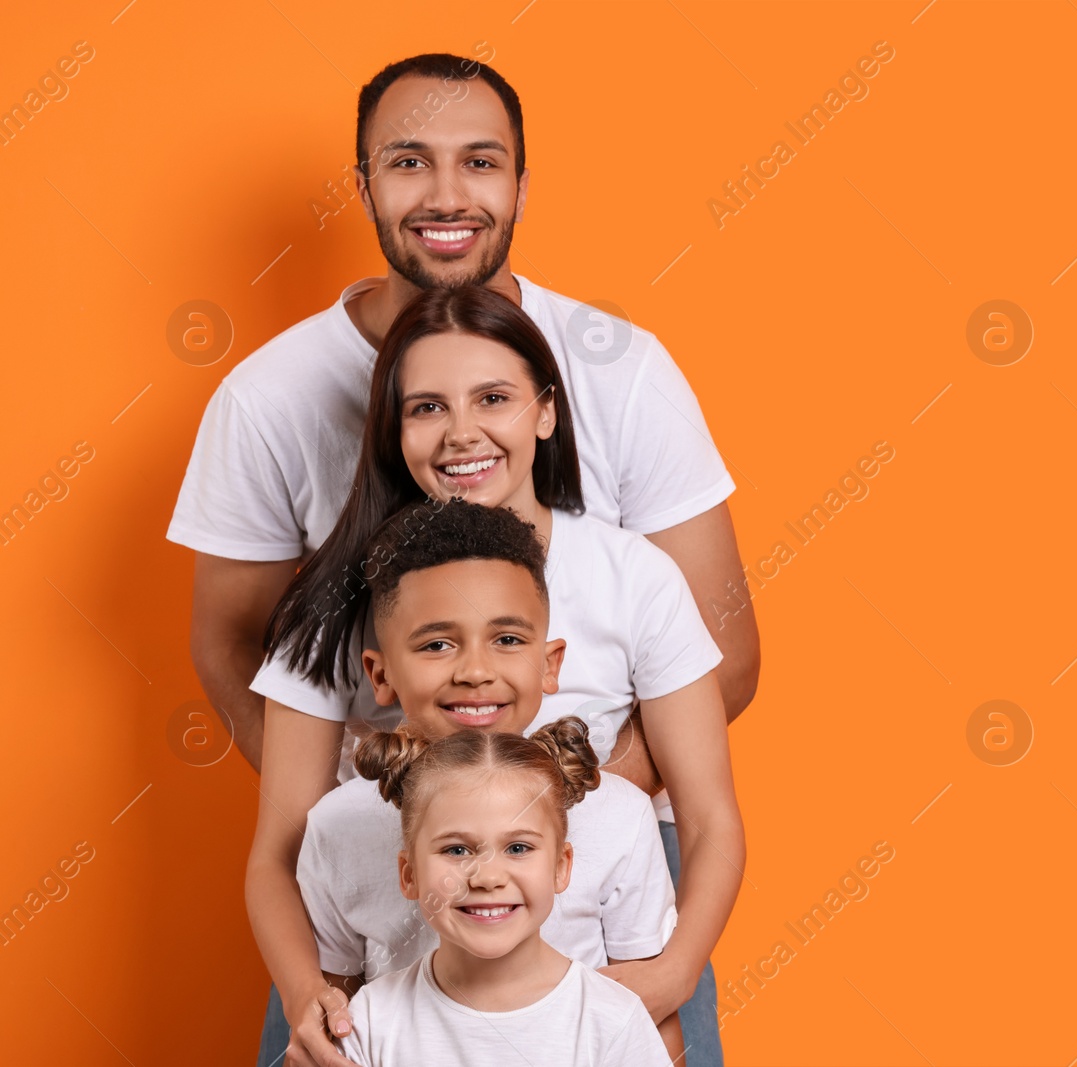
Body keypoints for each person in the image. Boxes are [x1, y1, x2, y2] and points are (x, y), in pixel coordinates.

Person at [169, 53, 754, 1065]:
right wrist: (391, 816)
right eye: (408, 161)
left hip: (603, 883)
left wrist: (548, 813)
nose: (447, 194)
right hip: (380, 886)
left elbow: (723, 671)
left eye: (479, 161)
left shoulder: (627, 380)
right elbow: (230, 647)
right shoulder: (277, 416)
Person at [247, 288, 742, 1067]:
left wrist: (667, 975)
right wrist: (311, 992)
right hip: (392, 956)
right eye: (426, 408)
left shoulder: (631, 576)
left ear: (546, 412)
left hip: (601, 937)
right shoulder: (344, 597)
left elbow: (710, 816)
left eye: (494, 398)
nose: (461, 432)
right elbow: (281, 847)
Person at [296, 502, 684, 1057]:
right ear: (379, 674)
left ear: (550, 665)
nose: (475, 672)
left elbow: (651, 1011)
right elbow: (337, 1016)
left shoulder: (621, 816)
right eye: (436, 644)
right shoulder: (337, 827)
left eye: (506, 639)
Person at [338, 726, 672, 1067]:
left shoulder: (614, 1020)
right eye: (456, 849)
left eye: (517, 847)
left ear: (560, 867)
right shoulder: (369, 1021)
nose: (488, 878)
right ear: (410, 875)